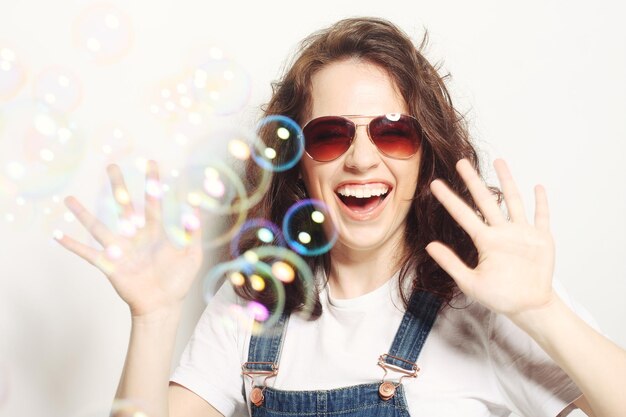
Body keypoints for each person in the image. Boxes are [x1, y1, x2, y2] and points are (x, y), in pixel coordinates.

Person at [56, 17, 626, 417]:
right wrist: (155, 316)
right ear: (297, 165)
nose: (361, 157)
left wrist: (543, 310)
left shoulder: (483, 298)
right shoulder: (253, 301)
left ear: (425, 150)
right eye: (329, 134)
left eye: (392, 131)